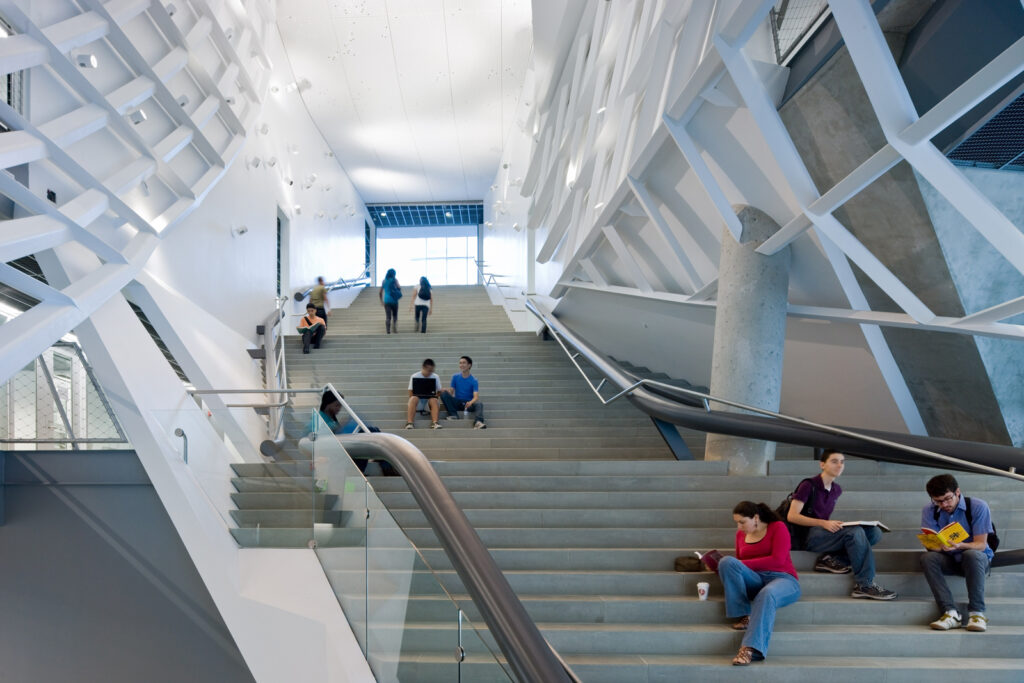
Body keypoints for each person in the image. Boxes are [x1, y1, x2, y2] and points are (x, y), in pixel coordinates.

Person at [786, 449, 896, 600]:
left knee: (874, 532)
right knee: (855, 532)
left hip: (823, 533)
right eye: (834, 461)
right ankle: (864, 585)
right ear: (822, 464)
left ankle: (833, 560)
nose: (839, 465)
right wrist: (823, 523)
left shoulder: (837, 489)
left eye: (842, 462)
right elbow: (792, 516)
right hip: (807, 536)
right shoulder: (808, 485)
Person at [719, 501, 801, 666]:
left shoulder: (778, 527)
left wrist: (743, 565)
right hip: (755, 580)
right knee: (726, 562)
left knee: (767, 593)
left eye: (742, 522)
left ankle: (750, 649)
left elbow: (777, 560)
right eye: (736, 523)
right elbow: (739, 566)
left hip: (783, 579)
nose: (739, 527)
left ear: (755, 518)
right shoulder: (740, 535)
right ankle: (744, 615)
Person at [920, 473, 994, 632]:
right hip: (950, 558)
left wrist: (960, 545)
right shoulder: (929, 510)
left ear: (957, 492)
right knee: (927, 558)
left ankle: (977, 614)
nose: (944, 504)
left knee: (971, 554)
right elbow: (931, 542)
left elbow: (981, 545)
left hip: (976, 560)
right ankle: (950, 613)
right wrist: (939, 547)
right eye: (938, 501)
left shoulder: (978, 506)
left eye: (947, 498)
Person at [441, 355, 486, 429]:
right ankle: (453, 415)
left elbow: (476, 397)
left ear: (469, 365)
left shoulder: (474, 380)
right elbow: (451, 393)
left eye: (464, 363)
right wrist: (445, 391)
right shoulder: (455, 377)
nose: (461, 365)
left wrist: (470, 402)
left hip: (468, 404)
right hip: (458, 402)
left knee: (479, 404)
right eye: (460, 363)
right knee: (444, 394)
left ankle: (478, 422)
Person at [406, 358, 443, 429]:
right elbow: (410, 392)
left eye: (431, 371)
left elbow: (439, 391)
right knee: (413, 398)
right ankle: (410, 423)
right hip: (418, 403)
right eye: (428, 371)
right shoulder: (415, 376)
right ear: (423, 368)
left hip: (429, 404)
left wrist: (434, 396)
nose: (430, 373)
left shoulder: (435, 376)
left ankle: (435, 423)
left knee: (434, 400)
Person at [379, 268, 402, 334]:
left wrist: (381, 301)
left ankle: (388, 331)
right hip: (394, 300)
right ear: (394, 274)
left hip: (386, 300)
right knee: (395, 315)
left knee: (388, 316)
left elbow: (380, 292)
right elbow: (399, 287)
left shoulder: (384, 281)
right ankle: (394, 328)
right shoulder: (395, 280)